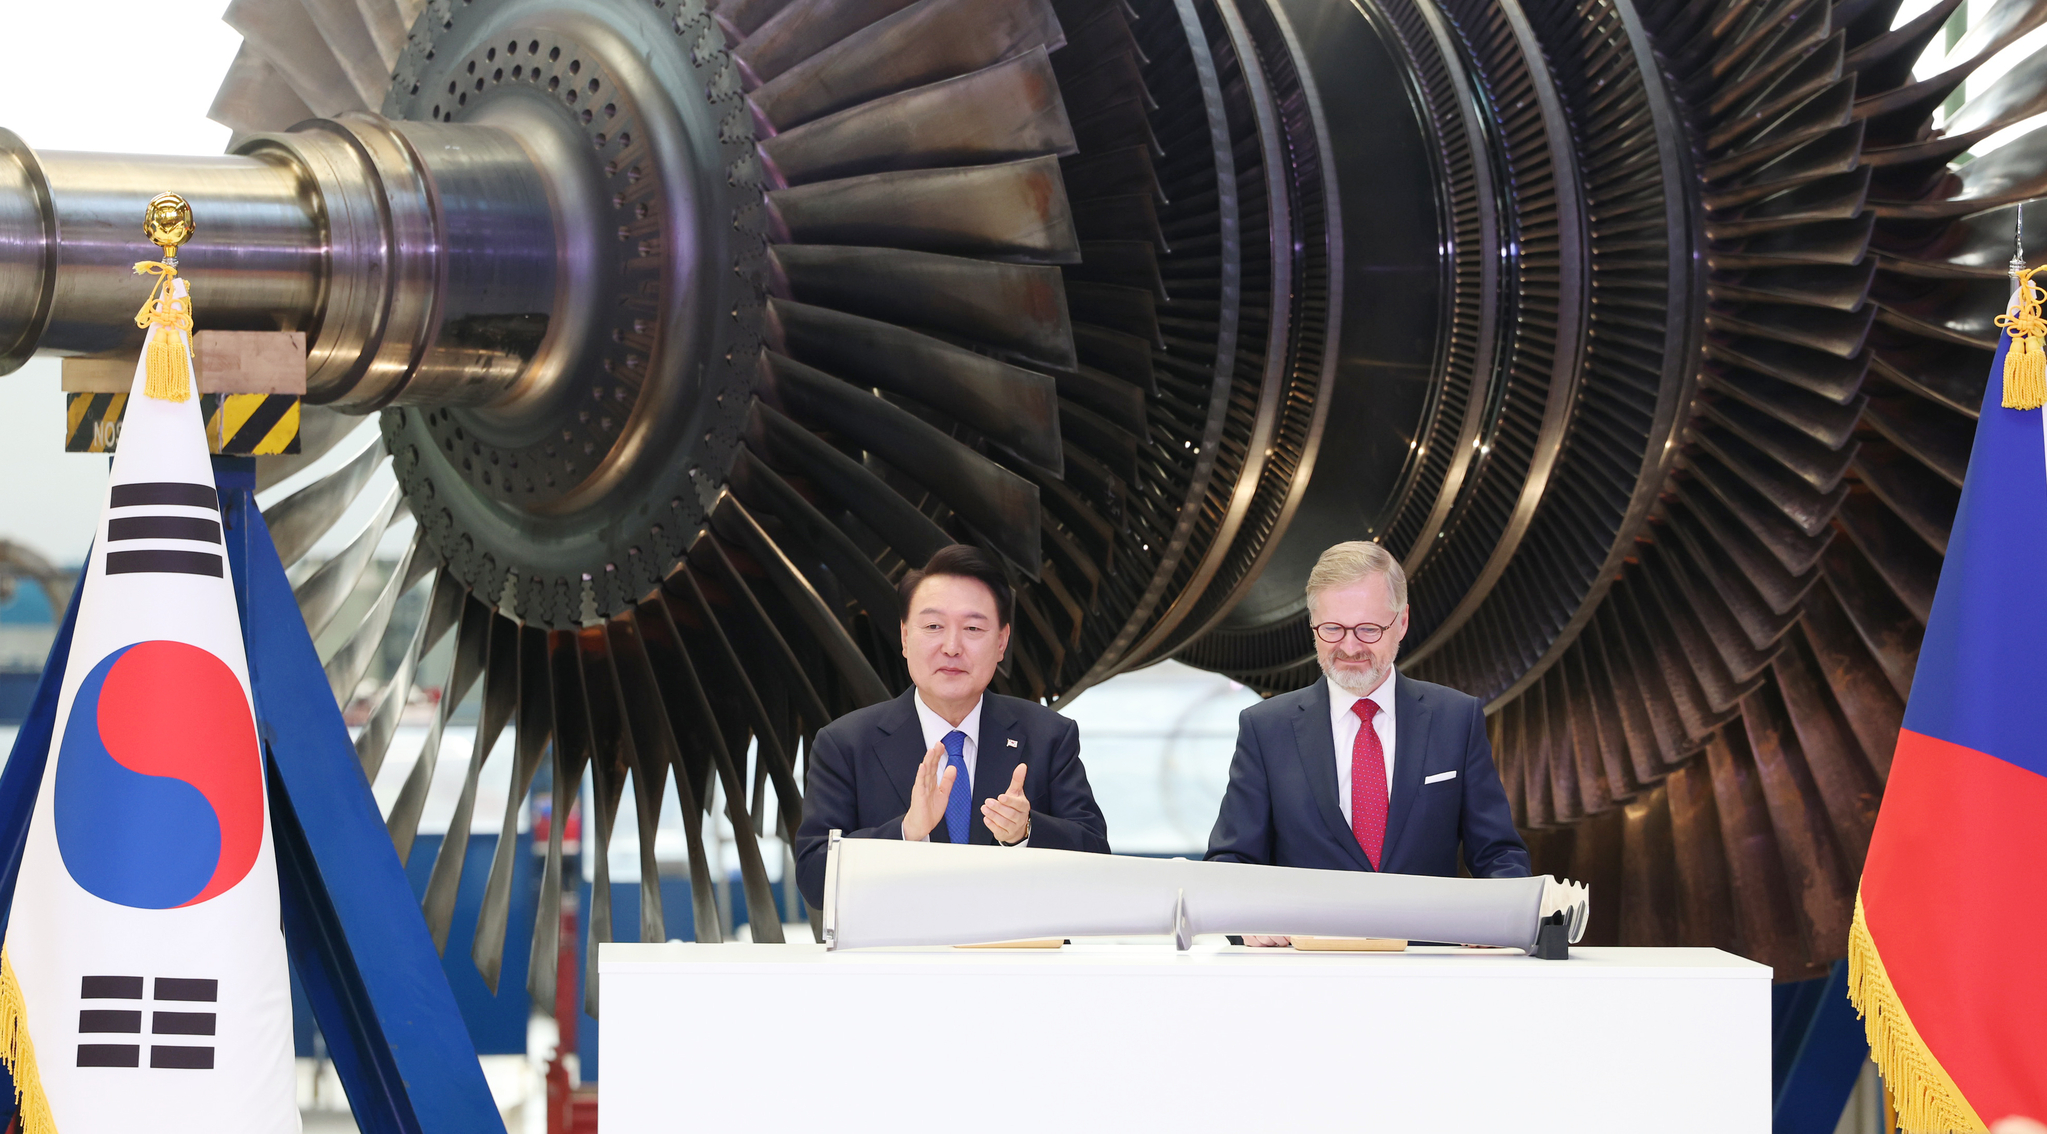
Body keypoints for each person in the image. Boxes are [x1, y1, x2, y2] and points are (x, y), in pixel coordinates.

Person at [1205, 540, 1528, 945]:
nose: (1350, 646)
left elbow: (1499, 855)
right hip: (1305, 974)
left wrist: (1500, 915)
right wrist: (1245, 917)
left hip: (1431, 975)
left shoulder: (1456, 718)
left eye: (1369, 629)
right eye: (1333, 629)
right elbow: (1231, 863)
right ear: (1312, 625)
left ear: (1403, 622)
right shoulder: (1266, 728)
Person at [794, 545, 1110, 908]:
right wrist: (906, 832)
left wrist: (1025, 831)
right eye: (933, 626)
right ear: (904, 638)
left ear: (1002, 642)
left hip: (1019, 958)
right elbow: (814, 878)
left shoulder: (1049, 736)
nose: (951, 646)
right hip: (896, 959)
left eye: (973, 627)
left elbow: (1098, 857)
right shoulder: (845, 744)